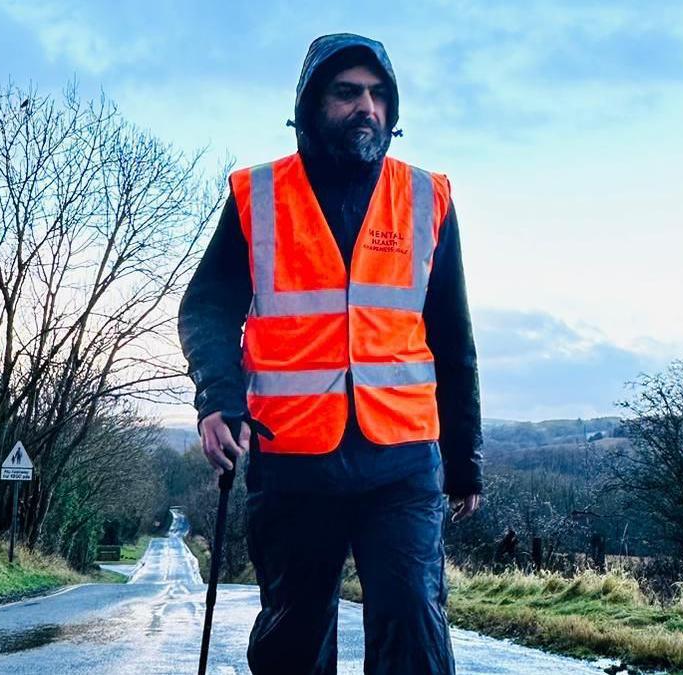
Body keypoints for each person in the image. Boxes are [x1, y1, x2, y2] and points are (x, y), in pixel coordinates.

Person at [179, 32, 484, 675]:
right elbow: (206, 307)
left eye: (377, 95)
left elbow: (452, 337)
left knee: (413, 626)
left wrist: (465, 458)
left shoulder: (428, 197)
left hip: (401, 460)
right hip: (291, 457)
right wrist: (216, 401)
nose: (365, 107)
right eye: (347, 93)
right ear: (312, 104)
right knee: (294, 639)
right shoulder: (257, 195)